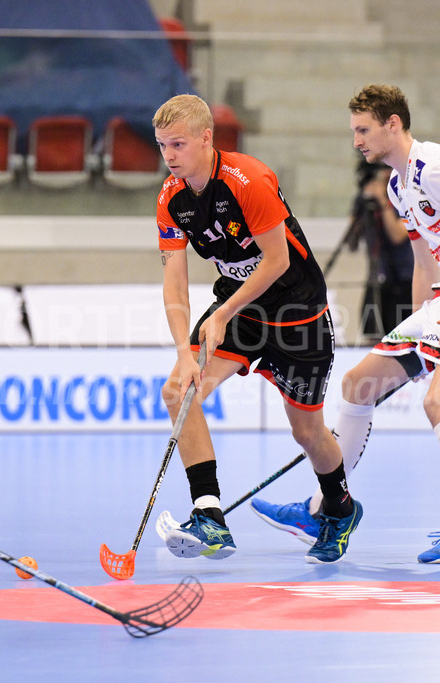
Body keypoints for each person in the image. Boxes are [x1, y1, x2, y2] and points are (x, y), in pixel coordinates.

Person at [251, 84, 440, 564]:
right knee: (359, 385)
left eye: (363, 130)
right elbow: (425, 265)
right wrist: (422, 331)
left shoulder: (437, 167)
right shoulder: (399, 187)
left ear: (392, 124)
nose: (356, 141)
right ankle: (323, 507)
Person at [153, 94, 361, 565]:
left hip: (297, 314)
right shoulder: (171, 199)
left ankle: (340, 508)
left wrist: (223, 312)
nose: (169, 156)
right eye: (163, 145)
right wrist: (185, 353)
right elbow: (175, 285)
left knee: (307, 432)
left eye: (178, 144)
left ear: (207, 138)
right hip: (242, 313)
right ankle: (210, 516)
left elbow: (277, 261)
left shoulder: (248, 180)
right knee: (177, 391)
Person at [347, 159, 414, 344]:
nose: (384, 175)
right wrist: (362, 206)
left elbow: (398, 235)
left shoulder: (404, 196)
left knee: (402, 339)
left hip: (403, 279)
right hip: (376, 278)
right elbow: (351, 242)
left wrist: (383, 201)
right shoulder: (365, 199)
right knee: (372, 337)